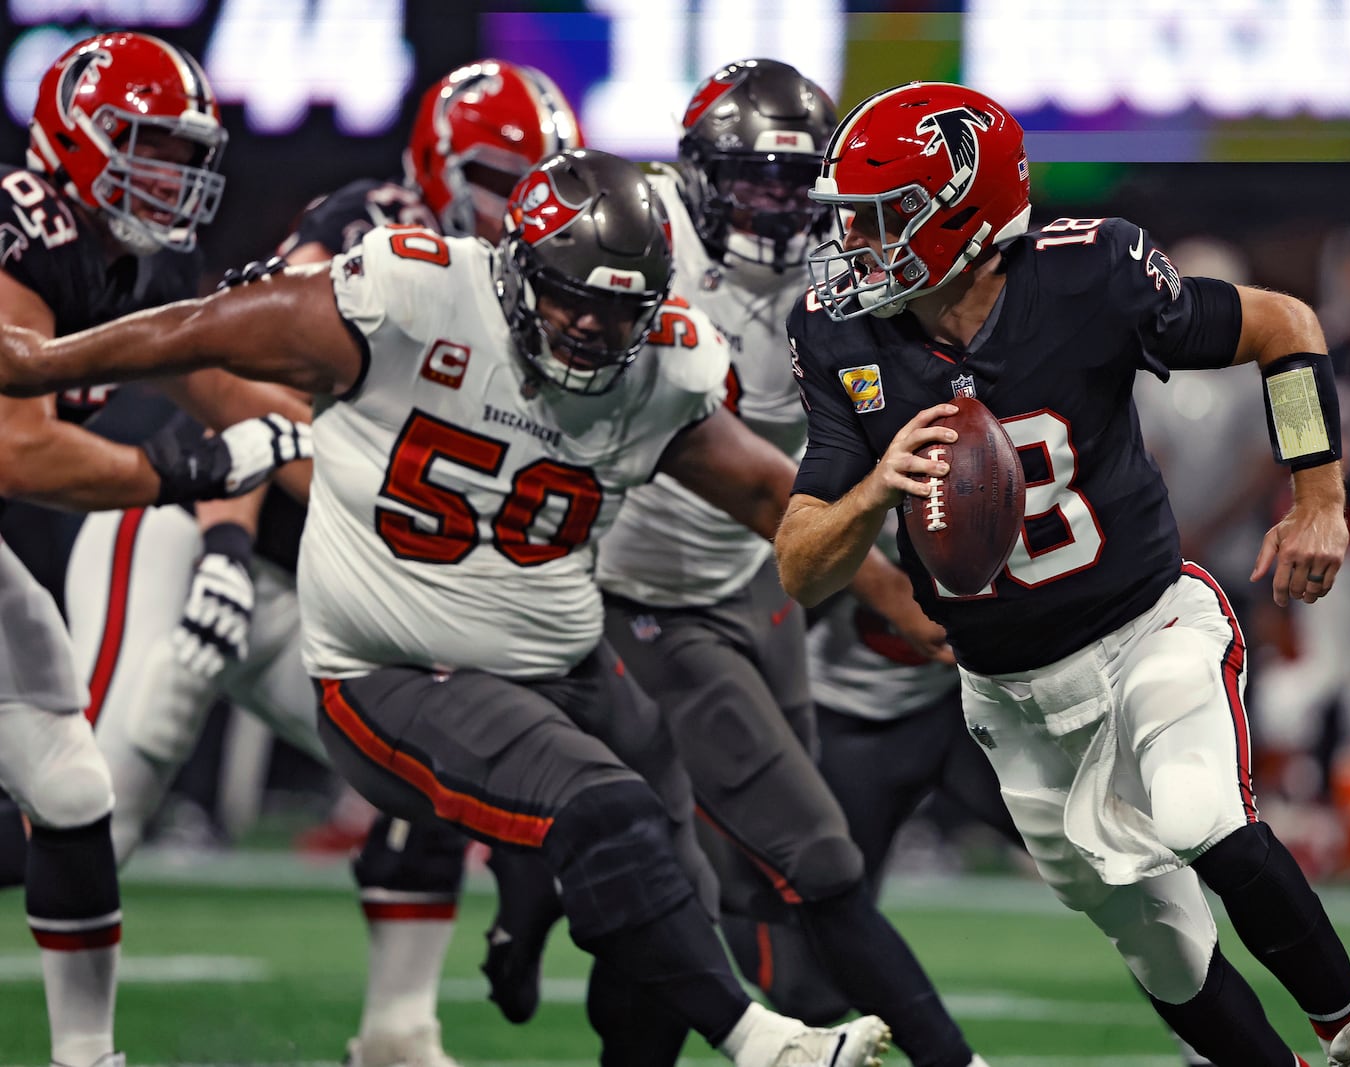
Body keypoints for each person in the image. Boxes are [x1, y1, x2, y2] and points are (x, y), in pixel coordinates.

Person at [0, 147, 891, 1067]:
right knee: (111, 776)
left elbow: (761, 491)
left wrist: (908, 594)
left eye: (617, 307)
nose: (588, 327)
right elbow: (211, 346)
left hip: (524, 644)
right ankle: (759, 1042)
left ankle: (404, 1025)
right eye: (568, 294)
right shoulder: (394, 276)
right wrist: (50, 372)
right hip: (355, 616)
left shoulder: (661, 362)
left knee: (659, 863)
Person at [775, 80, 1350, 1067]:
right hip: (1007, 693)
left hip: (1144, 626)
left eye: (879, 219)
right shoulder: (837, 332)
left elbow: (1286, 326)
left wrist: (1319, 496)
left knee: (1204, 817)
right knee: (1158, 946)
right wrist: (871, 494)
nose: (854, 244)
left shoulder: (1087, 275)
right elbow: (798, 564)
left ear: (963, 213)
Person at [63, 57, 584, 1067]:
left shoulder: (550, 305)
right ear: (434, 167)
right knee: (95, 796)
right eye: (494, 175)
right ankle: (80, 1047)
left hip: (334, 591)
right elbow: (250, 380)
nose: (518, 203)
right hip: (206, 533)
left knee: (446, 758)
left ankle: (398, 1031)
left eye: (538, 177)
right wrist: (218, 542)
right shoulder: (372, 238)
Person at [587, 58, 979, 1067]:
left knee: (756, 860)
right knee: (715, 848)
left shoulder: (844, 271)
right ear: (700, 172)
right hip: (618, 582)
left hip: (762, 580)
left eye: (798, 178)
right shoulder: (643, 233)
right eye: (755, 176)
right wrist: (889, 583)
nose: (778, 199)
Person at [0, 32, 313, 1067]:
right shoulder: (23, 226)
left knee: (71, 783)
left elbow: (234, 399)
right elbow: (19, 449)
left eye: (182, 154)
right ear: (75, 136)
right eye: (147, 145)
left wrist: (378, 472)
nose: (169, 175)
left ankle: (86, 1056)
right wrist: (178, 475)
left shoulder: (129, 258)